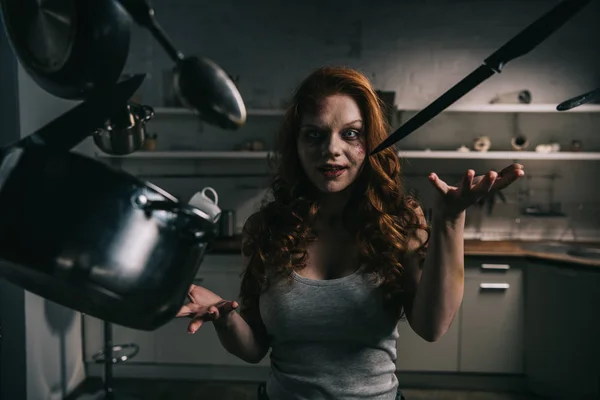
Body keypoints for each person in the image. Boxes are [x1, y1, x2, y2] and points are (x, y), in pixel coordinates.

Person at [176, 66, 525, 400]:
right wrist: (225, 317)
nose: (332, 149)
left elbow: (432, 326)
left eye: (351, 134)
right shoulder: (265, 229)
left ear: (372, 142)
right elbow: (254, 348)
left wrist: (450, 219)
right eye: (315, 134)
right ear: (295, 146)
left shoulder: (399, 223)